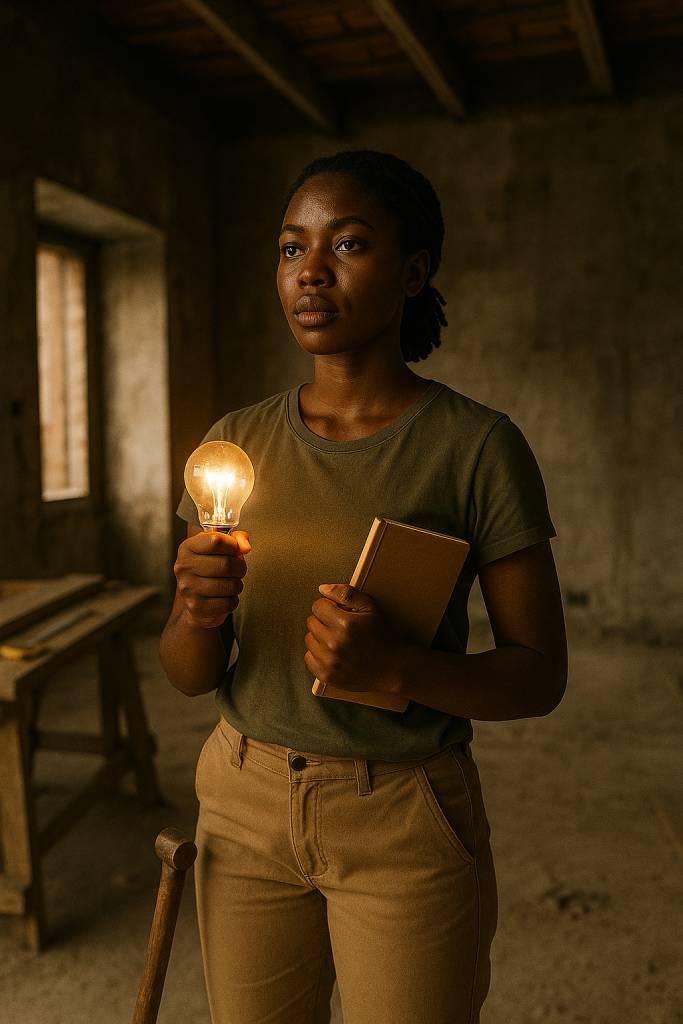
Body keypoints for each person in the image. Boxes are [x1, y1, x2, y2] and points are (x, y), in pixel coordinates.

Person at [159, 149, 568, 1024]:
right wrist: (197, 611)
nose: (309, 270)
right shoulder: (236, 444)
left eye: (346, 245)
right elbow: (192, 674)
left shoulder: (475, 447)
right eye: (288, 247)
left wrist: (398, 668)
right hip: (242, 798)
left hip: (403, 816)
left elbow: (538, 674)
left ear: (413, 271)